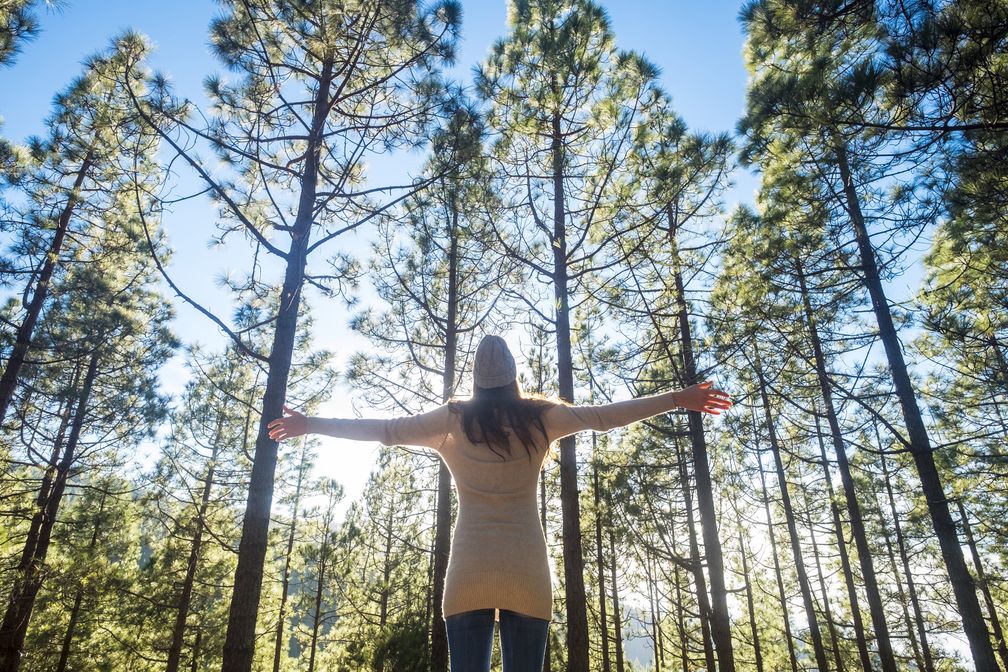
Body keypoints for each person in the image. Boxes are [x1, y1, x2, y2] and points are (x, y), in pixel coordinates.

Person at [267, 335, 731, 672]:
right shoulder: (540, 419)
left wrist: (311, 424)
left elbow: (385, 430)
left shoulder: (452, 421)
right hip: (526, 573)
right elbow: (604, 418)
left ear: (476, 380)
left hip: (468, 573)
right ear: (512, 378)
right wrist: (677, 398)